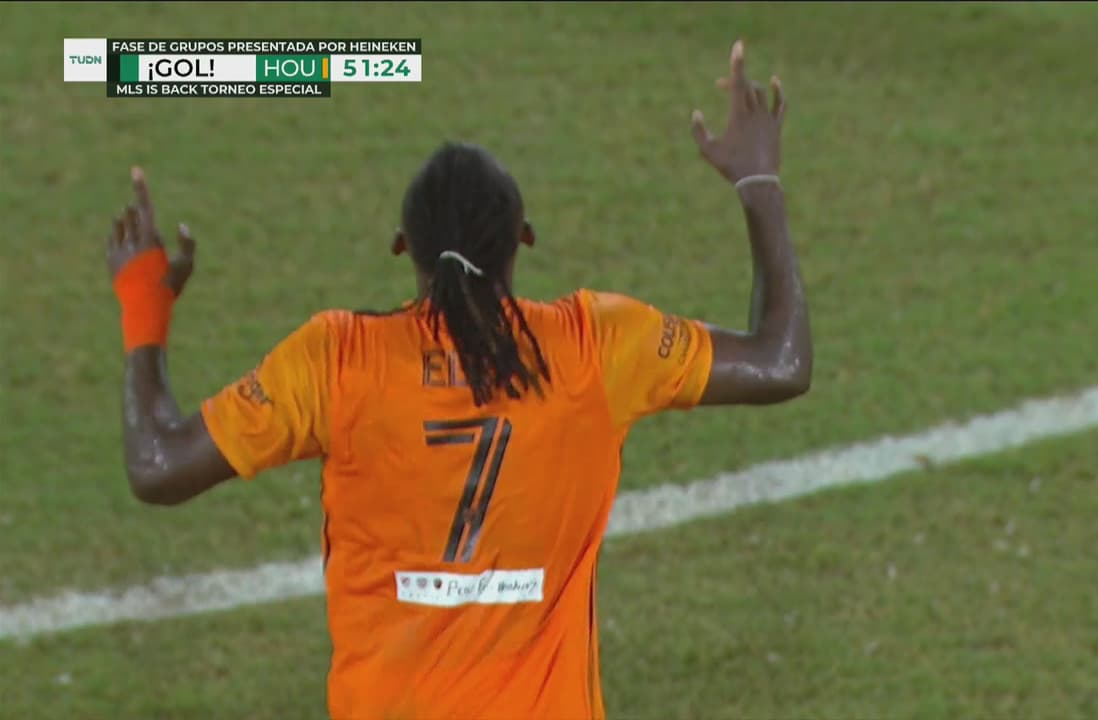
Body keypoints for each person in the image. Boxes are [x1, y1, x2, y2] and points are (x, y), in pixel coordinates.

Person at [106, 39, 810, 720]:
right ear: (523, 237)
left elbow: (158, 464)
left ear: (402, 246)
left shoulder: (337, 360)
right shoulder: (595, 347)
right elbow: (781, 360)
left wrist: (144, 303)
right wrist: (758, 182)